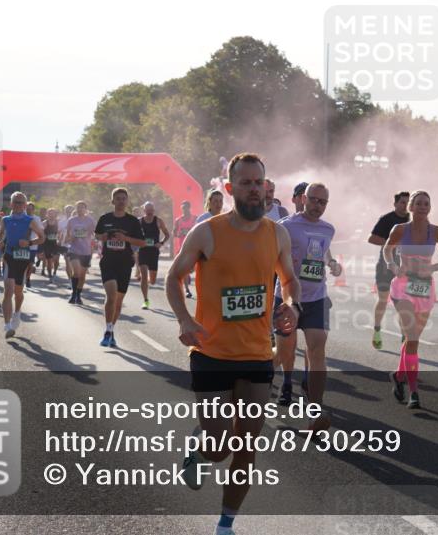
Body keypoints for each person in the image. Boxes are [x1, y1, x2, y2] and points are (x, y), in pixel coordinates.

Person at [167, 153, 299, 535]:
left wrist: (290, 305)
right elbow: (174, 278)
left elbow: (289, 280)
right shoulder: (207, 232)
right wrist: (184, 319)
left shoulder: (277, 234)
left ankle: (225, 523)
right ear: (229, 189)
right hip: (211, 354)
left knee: (247, 446)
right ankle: (199, 449)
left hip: (259, 354)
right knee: (220, 446)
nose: (255, 189)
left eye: (259, 182)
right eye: (246, 183)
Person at [274, 183, 340, 429]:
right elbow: (271, 257)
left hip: (316, 297)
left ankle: (315, 410)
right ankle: (273, 381)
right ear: (303, 199)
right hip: (287, 297)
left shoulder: (328, 229)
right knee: (284, 353)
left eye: (322, 202)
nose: (317, 206)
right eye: (313, 200)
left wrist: (332, 263)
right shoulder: (286, 227)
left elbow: (323, 251)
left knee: (317, 348)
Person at [383, 191, 438, 409]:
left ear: (429, 208)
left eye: (426, 204)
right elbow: (388, 249)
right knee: (412, 338)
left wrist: (432, 268)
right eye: (418, 203)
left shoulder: (437, 232)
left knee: (411, 340)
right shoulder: (400, 230)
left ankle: (398, 375)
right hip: (403, 287)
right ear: (410, 207)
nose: (423, 207)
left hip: (425, 288)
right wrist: (393, 266)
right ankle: (414, 392)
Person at [95, 188, 146, 347]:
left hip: (125, 264)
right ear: (113, 201)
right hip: (108, 262)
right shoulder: (105, 218)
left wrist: (125, 238)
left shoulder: (132, 221)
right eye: (118, 198)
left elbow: (142, 242)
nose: (121, 201)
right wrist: (103, 237)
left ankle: (112, 329)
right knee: (111, 296)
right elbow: (97, 235)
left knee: (118, 301)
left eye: (124, 198)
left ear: (127, 201)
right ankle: (108, 331)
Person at [0, 192, 45, 339]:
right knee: (8, 290)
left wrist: (29, 243)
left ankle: (17, 313)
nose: (18, 205)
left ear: (25, 205)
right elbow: (1, 234)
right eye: (16, 202)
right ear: (10, 204)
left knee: (18, 292)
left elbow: (42, 238)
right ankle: (7, 325)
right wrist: (0, 242)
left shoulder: (30, 220)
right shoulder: (5, 220)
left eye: (21, 203)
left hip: (23, 259)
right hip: (9, 257)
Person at [368, 192, 410, 349]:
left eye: (407, 202)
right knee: (383, 300)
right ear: (395, 204)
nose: (405, 205)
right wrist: (390, 243)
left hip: (405, 269)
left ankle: (404, 337)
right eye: (402, 202)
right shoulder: (387, 219)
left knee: (403, 304)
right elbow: (372, 238)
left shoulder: (412, 221)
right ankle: (377, 330)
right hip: (385, 267)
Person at [138, 201, 170, 309]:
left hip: (153, 252)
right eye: (147, 210)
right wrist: (138, 242)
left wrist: (160, 243)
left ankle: (147, 281)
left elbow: (167, 234)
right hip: (142, 251)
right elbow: (133, 235)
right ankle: (145, 300)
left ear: (154, 211)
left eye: (151, 210)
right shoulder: (139, 221)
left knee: (152, 281)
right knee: (143, 275)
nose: (149, 212)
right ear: (144, 211)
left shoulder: (158, 221)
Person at [65, 201, 96, 305]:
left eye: (82, 207)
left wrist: (90, 232)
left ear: (85, 209)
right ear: (76, 209)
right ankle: (73, 294)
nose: (80, 209)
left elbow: (94, 233)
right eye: (78, 207)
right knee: (76, 272)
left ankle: (78, 295)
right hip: (74, 250)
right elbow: (67, 237)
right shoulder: (71, 220)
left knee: (82, 276)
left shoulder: (90, 220)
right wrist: (70, 238)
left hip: (86, 250)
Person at [41, 208, 62, 281]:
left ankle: (55, 272)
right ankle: (50, 275)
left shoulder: (58, 222)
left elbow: (60, 232)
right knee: (49, 261)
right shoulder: (45, 223)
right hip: (47, 244)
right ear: (47, 214)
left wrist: (60, 239)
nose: (51, 215)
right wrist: (44, 236)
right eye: (50, 213)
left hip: (55, 243)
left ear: (55, 214)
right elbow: (41, 232)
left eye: (53, 213)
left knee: (56, 260)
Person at [24, 202, 42, 288]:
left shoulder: (37, 218)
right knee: (23, 264)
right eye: (27, 209)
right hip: (22, 244)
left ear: (33, 210)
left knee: (30, 264)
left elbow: (41, 231)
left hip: (33, 244)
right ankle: (23, 278)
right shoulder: (22, 217)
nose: (29, 210)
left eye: (31, 209)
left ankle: (28, 279)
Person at [59, 204, 76, 287]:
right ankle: (70, 280)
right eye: (67, 210)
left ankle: (75, 278)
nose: (69, 212)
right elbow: (60, 233)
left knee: (75, 263)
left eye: (70, 210)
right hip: (65, 245)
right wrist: (59, 241)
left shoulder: (77, 220)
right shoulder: (62, 222)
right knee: (68, 262)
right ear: (65, 211)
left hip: (77, 245)